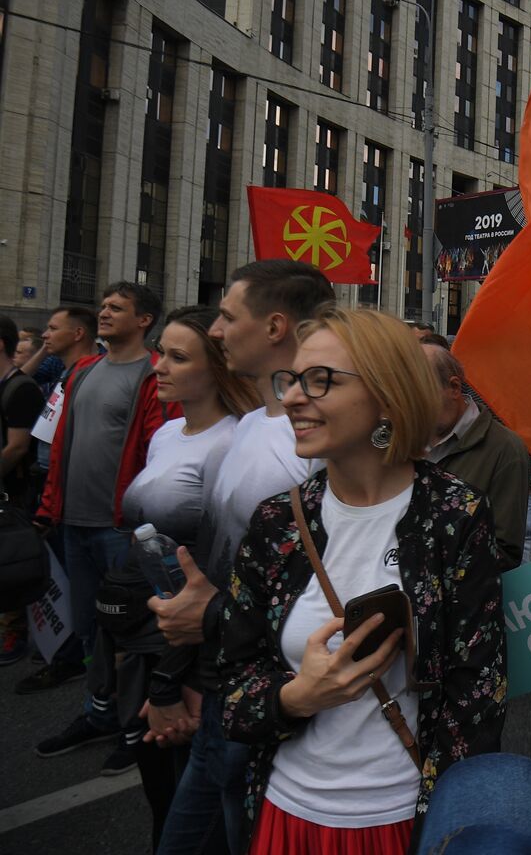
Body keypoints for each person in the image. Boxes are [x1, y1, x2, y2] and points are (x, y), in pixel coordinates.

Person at [219, 308, 505, 854]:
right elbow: (232, 690)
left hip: (403, 819)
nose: (294, 397)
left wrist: (445, 821)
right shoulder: (276, 523)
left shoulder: (454, 516)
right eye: (292, 379)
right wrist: (294, 698)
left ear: (387, 394)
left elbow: (478, 698)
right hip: (287, 814)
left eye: (320, 379)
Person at [149, 259, 333, 855]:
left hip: (271, 699)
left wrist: (210, 621)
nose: (218, 331)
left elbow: (319, 591)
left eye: (228, 316)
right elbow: (213, 571)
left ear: (276, 325)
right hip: (219, 688)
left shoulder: (317, 445)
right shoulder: (252, 424)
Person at [114, 306, 259, 849]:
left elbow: (221, 567)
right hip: (144, 631)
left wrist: (177, 679)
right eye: (160, 354)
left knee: (197, 808)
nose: (159, 368)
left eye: (178, 357)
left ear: (217, 368)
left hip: (190, 645)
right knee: (159, 786)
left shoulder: (231, 442)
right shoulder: (169, 433)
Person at [27, 282, 174, 780]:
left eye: (116, 308)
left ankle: (136, 726)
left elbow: (157, 453)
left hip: (120, 529)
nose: (104, 313)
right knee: (91, 629)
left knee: (130, 635)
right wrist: (50, 507)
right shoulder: (84, 371)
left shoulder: (155, 375)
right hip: (74, 522)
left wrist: (140, 523)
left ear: (144, 321)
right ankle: (100, 713)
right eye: (103, 306)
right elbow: (62, 441)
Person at [423, 341, 531, 569]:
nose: (410, 404)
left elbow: (504, 552)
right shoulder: (401, 440)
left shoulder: (504, 448)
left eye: (419, 392)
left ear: (454, 388)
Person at [0, 317, 46, 668]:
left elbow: (16, 447)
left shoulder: (21, 389)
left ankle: (13, 632)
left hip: (11, 494)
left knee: (10, 561)